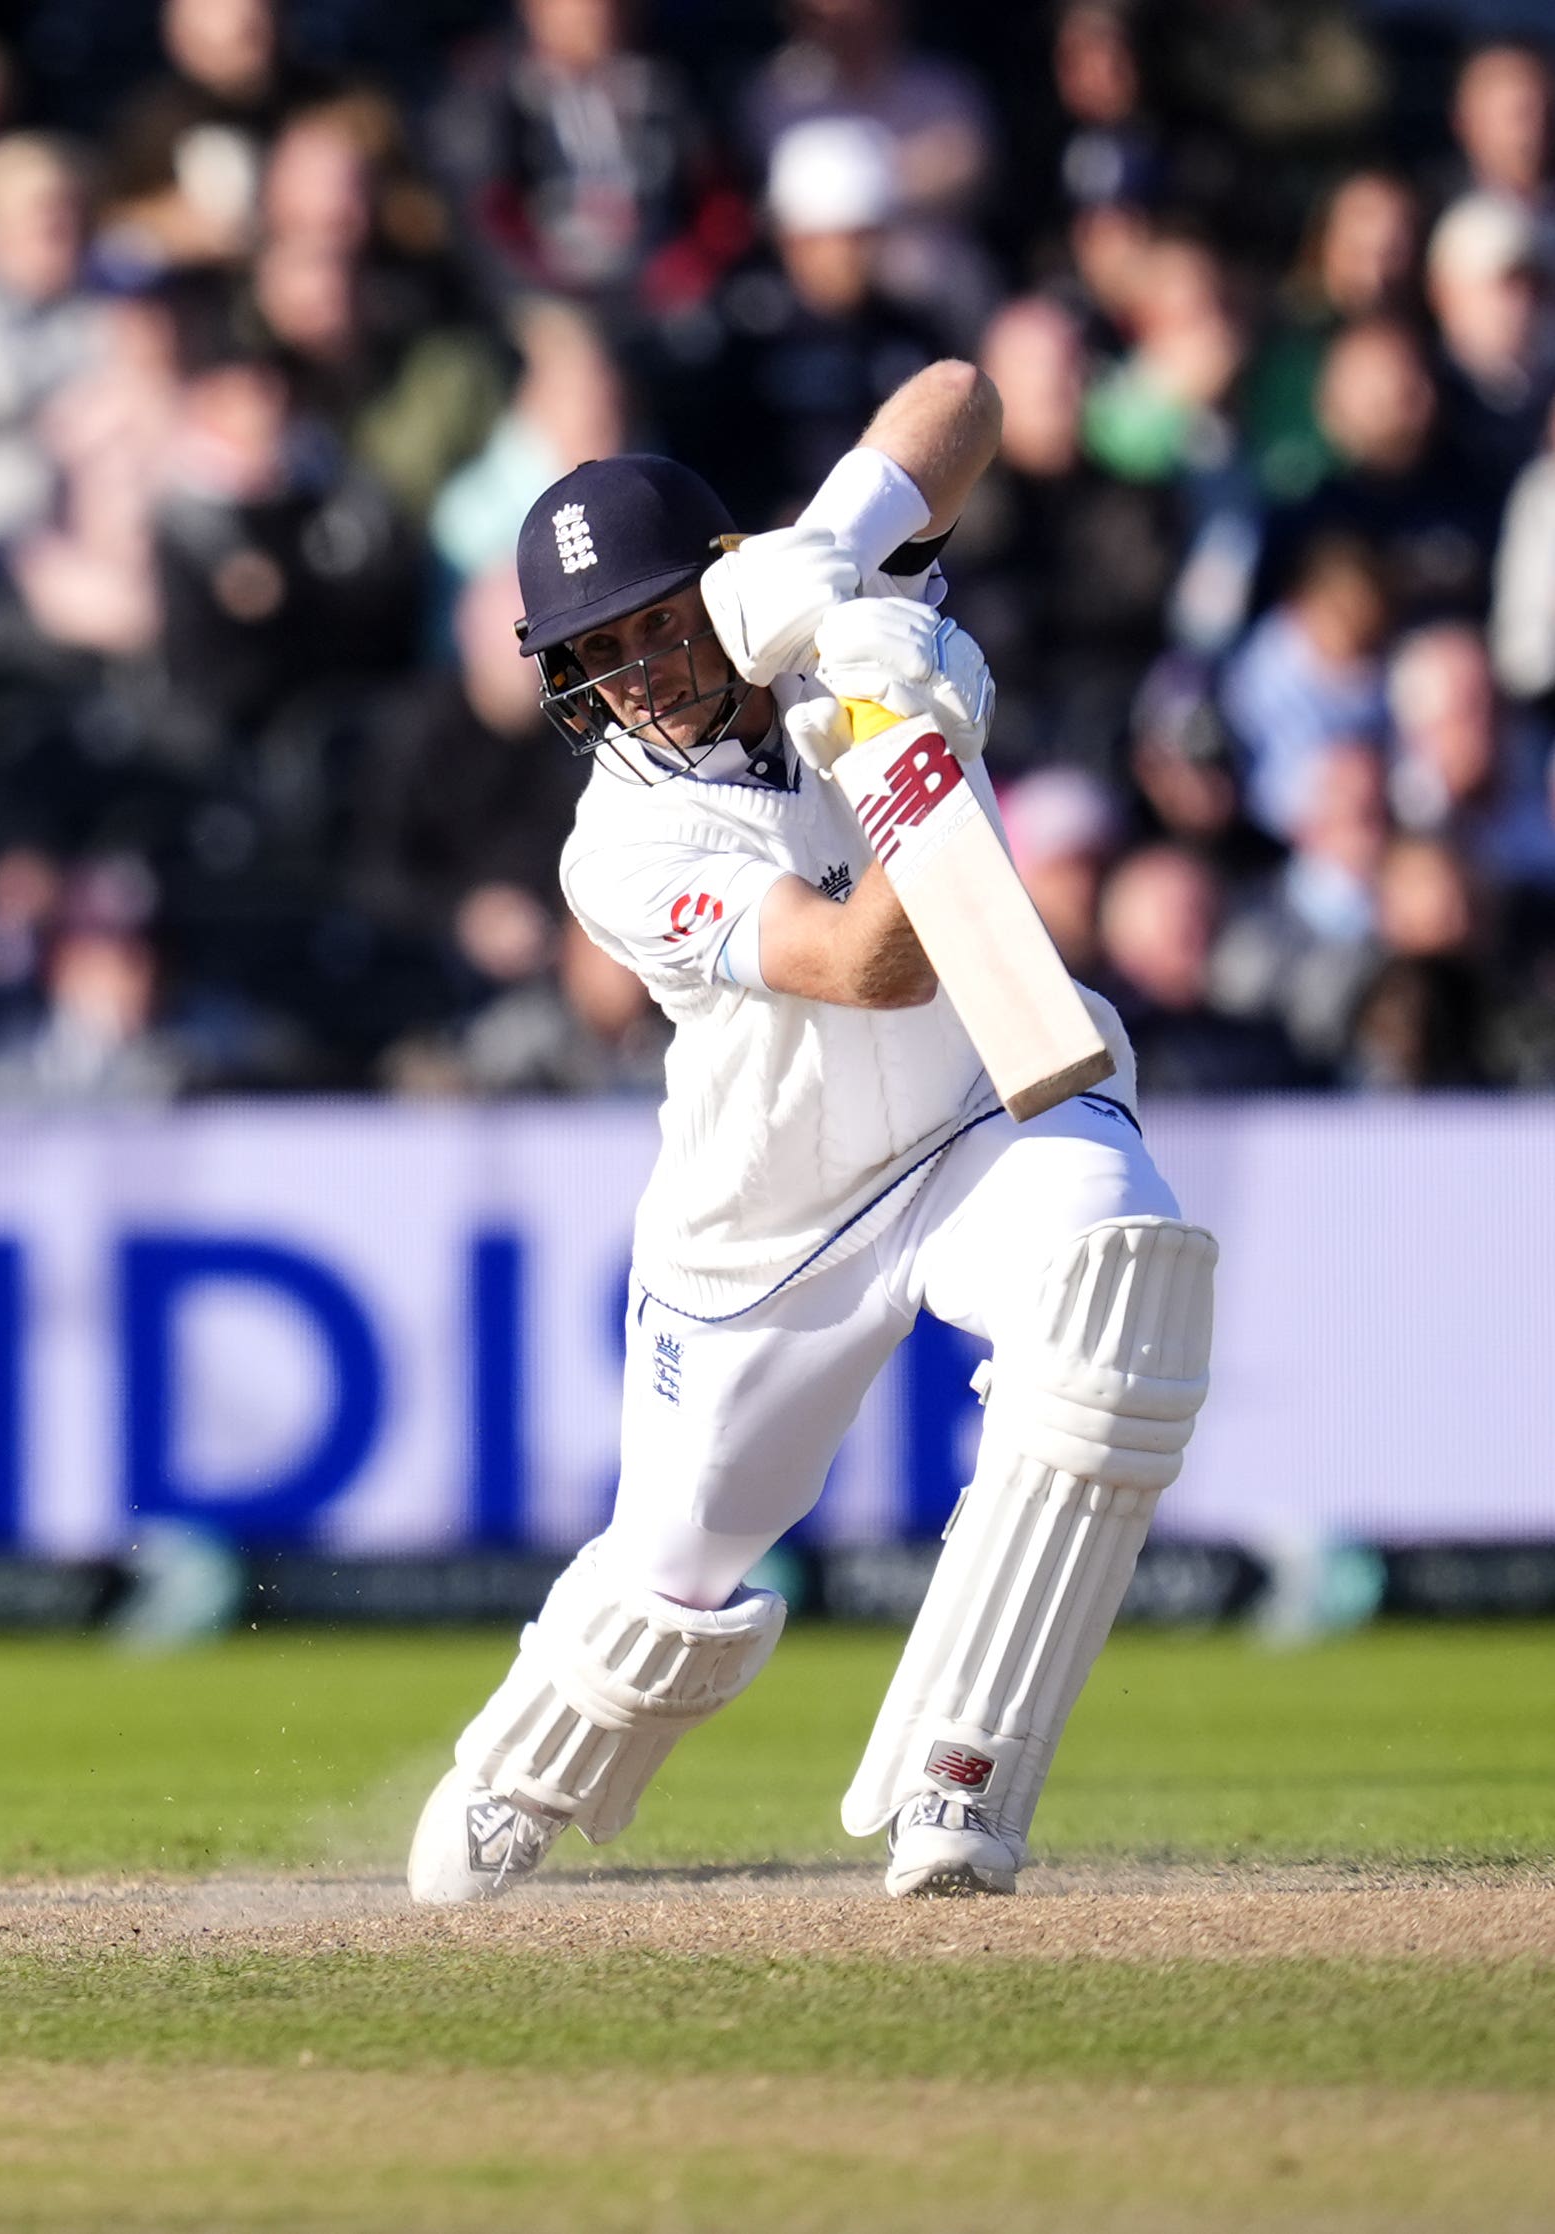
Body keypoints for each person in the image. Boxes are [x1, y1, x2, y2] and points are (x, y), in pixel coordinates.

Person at [410, 363, 1219, 1905]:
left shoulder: (819, 599)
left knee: (1117, 1299)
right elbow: (865, 963)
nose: (636, 669)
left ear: (720, 584)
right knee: (672, 1568)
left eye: (655, 621)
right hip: (768, 1221)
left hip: (993, 1107)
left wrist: (841, 543)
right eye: (596, 650)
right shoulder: (617, 846)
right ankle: (515, 1774)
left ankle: (957, 1775)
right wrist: (915, 735)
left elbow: (965, 396)